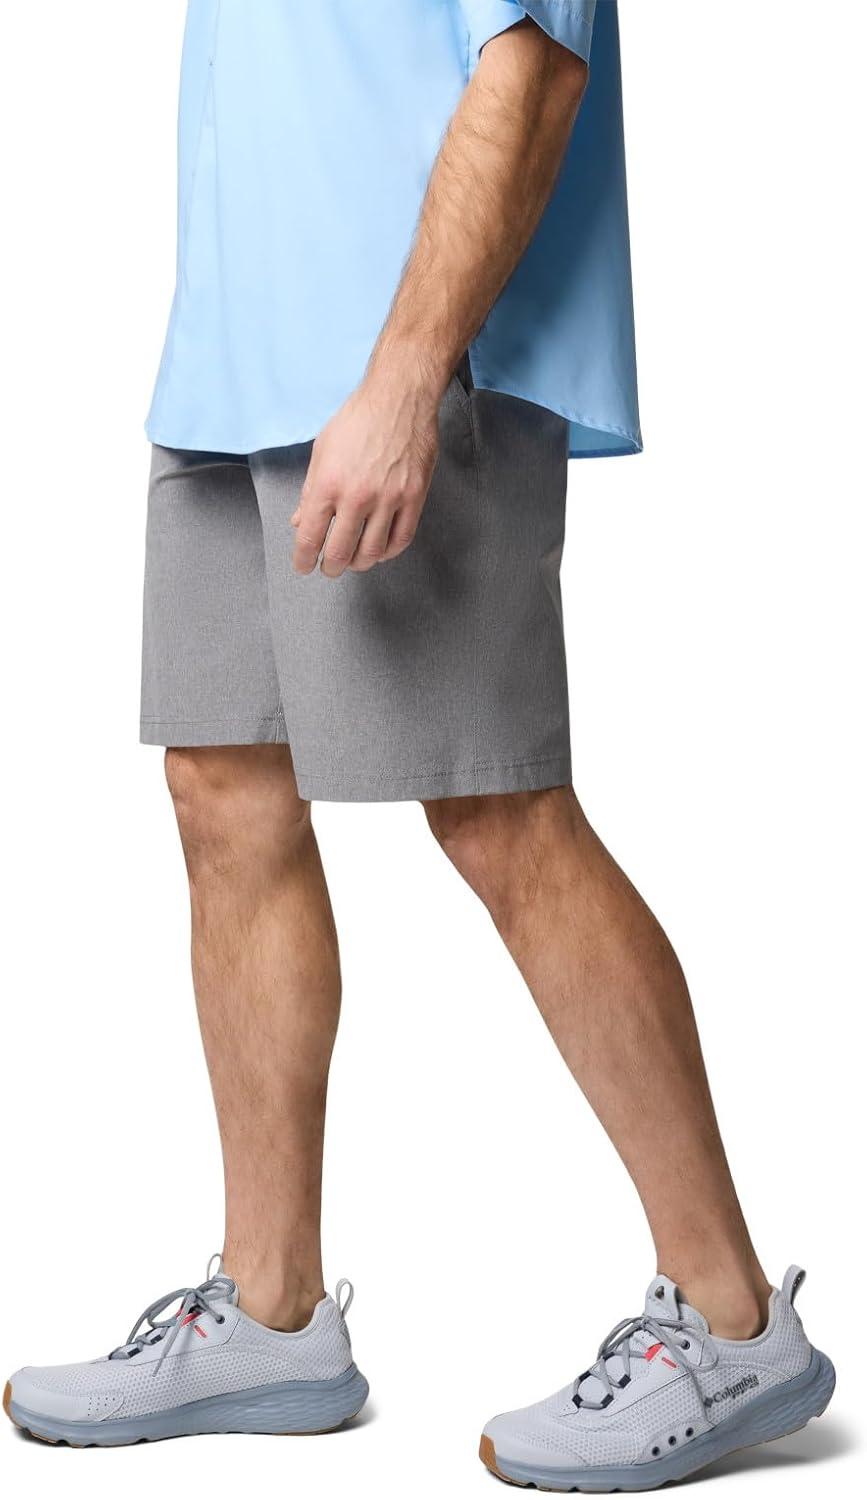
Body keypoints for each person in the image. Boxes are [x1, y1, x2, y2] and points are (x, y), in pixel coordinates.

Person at [4, 0, 834, 1483]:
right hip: (231, 369)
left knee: (498, 812)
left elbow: (533, 66)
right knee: (223, 790)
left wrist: (403, 377)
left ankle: (731, 1316)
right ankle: (271, 1312)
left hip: (402, 371)